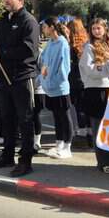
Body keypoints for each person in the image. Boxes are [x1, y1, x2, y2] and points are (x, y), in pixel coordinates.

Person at [0, 0, 40, 177]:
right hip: (4, 78)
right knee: (6, 118)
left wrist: (1, 53)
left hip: (22, 78)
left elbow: (29, 51)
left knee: (25, 119)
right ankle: (7, 155)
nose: (5, 1)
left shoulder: (29, 21)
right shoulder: (4, 20)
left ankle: (25, 160)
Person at [79, 18, 109, 174]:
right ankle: (103, 162)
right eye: (94, 28)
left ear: (105, 29)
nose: (96, 31)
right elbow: (91, 71)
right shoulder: (89, 48)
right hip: (96, 92)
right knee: (99, 128)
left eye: (99, 28)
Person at [39, 17, 72, 159]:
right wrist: (43, 78)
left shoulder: (62, 43)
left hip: (60, 87)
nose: (43, 29)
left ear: (52, 27)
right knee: (57, 117)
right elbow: (44, 62)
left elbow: (64, 68)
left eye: (45, 26)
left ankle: (67, 147)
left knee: (65, 116)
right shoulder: (50, 43)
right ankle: (59, 144)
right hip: (50, 88)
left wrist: (55, 80)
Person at [66, 18, 90, 140]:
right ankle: (89, 130)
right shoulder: (86, 45)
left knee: (78, 106)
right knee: (86, 106)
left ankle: (82, 131)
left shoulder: (71, 47)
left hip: (74, 80)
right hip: (86, 80)